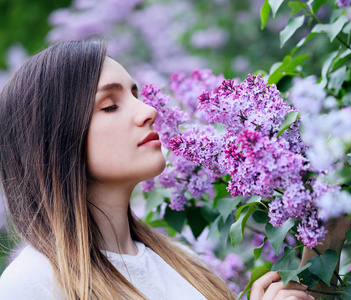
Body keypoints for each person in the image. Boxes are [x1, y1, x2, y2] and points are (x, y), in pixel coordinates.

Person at [0, 40, 314, 300]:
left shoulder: (185, 263)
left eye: (134, 94)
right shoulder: (33, 284)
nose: (149, 110)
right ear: (54, 142)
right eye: (110, 105)